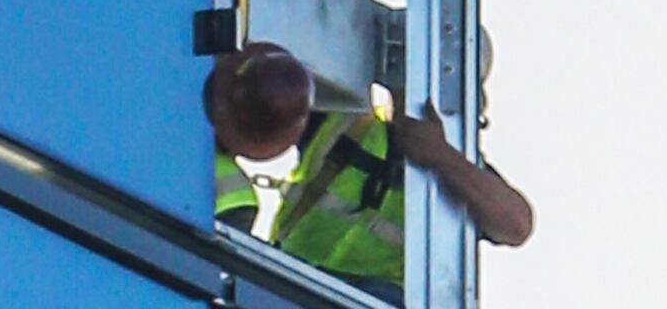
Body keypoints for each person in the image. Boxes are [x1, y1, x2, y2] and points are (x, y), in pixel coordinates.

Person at [208, 44, 535, 281]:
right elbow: (261, 113)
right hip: (295, 277)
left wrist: (439, 156)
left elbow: (516, 224)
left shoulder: (460, 172)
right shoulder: (349, 122)